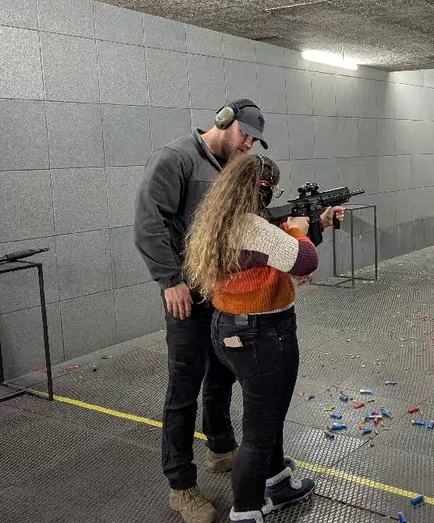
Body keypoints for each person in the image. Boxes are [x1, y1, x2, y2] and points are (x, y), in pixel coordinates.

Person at [133, 98, 268, 523]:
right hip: (186, 293)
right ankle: (181, 486)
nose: (248, 144)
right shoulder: (176, 159)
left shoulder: (229, 167)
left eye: (253, 140)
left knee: (223, 372)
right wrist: (169, 280)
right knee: (184, 387)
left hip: (222, 291)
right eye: (245, 135)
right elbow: (149, 222)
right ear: (224, 123)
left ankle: (220, 447)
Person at [182, 154, 330, 523]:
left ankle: (277, 483)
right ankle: (247, 511)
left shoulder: (219, 220)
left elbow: (273, 261)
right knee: (259, 432)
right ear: (261, 190)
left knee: (269, 414)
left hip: (228, 327)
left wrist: (316, 224)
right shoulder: (253, 226)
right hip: (262, 335)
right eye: (271, 189)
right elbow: (306, 261)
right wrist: (297, 228)